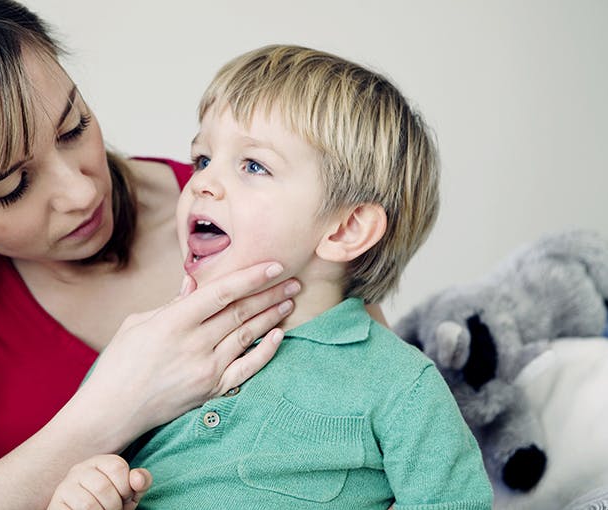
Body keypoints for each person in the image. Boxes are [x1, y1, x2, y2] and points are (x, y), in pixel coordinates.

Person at [0, 2, 327, 508]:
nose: (80, 192)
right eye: (12, 186)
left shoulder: (258, 210)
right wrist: (109, 412)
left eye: (73, 128)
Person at [55, 44, 494, 509]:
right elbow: (79, 473)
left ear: (345, 230)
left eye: (253, 165)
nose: (200, 181)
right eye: (203, 159)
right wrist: (85, 491)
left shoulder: (402, 387)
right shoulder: (142, 355)